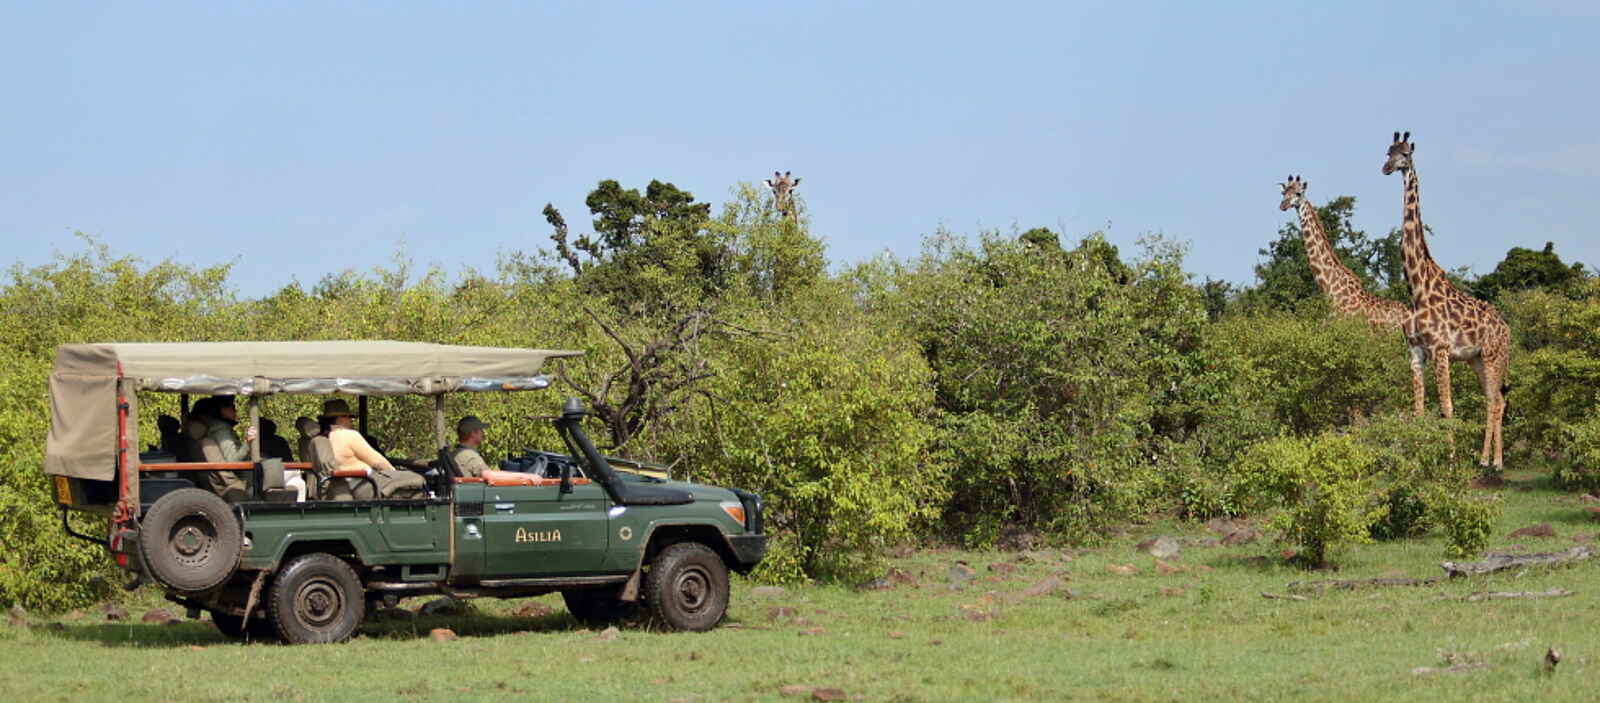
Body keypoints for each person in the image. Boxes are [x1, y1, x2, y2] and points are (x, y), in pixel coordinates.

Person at [321, 398, 425, 499]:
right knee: (418, 479)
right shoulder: (347, 434)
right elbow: (377, 462)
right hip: (366, 484)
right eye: (347, 416)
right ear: (338, 418)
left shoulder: (325, 438)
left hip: (349, 485)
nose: (350, 420)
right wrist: (393, 473)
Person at [196, 396, 257, 501]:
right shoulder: (221, 429)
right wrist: (248, 443)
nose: (235, 410)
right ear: (222, 410)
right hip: (244, 479)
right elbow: (233, 461)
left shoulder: (215, 428)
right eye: (231, 407)